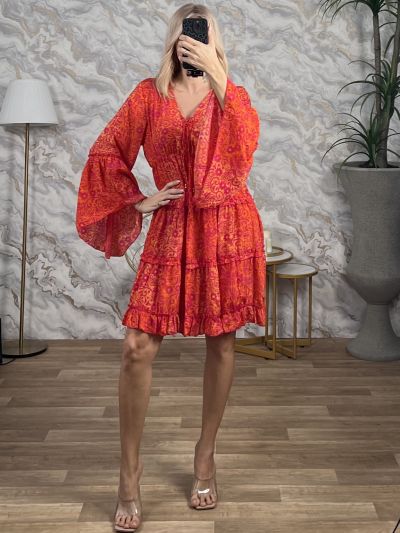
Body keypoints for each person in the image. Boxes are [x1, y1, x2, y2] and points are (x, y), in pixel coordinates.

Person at [76, 3, 266, 532]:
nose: (193, 40)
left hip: (226, 226)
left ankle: (205, 455)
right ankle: (129, 474)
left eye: (202, 33)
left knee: (222, 343)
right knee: (136, 347)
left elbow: (245, 151)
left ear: (212, 40)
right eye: (186, 31)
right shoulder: (148, 95)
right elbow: (105, 152)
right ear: (173, 39)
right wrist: (138, 202)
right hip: (173, 225)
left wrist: (218, 74)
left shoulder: (233, 95)